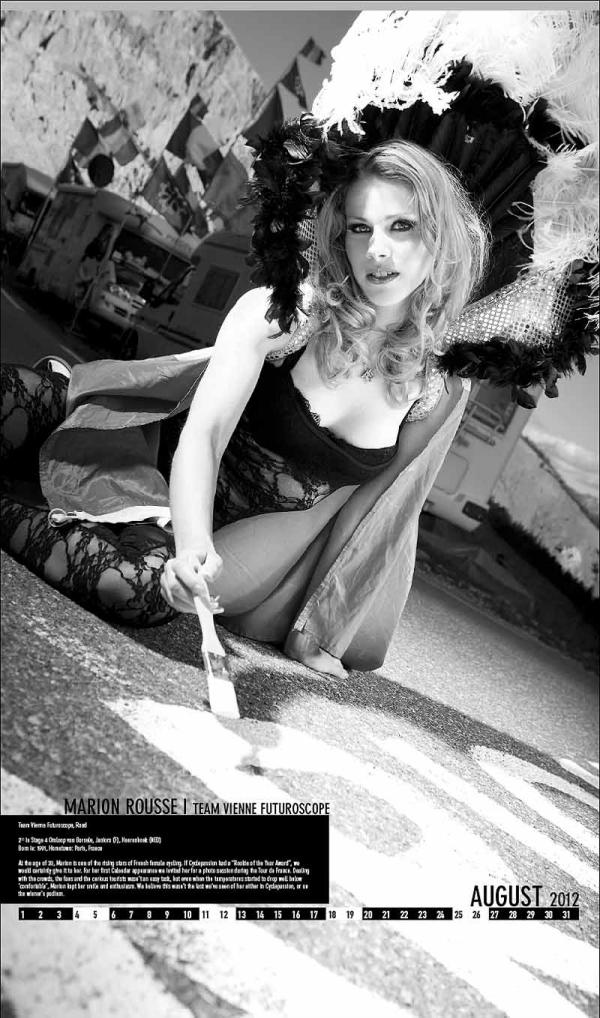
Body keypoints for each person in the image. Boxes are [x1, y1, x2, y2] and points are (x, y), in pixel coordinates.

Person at [0, 141, 486, 677]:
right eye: (360, 227)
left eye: (401, 226)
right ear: (339, 234)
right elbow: (205, 434)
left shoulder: (435, 388)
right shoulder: (288, 313)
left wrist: (319, 630)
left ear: (439, 236)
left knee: (135, 590)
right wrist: (192, 538)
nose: (377, 249)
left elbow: (376, 514)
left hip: (254, 535)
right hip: (155, 447)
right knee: (13, 400)